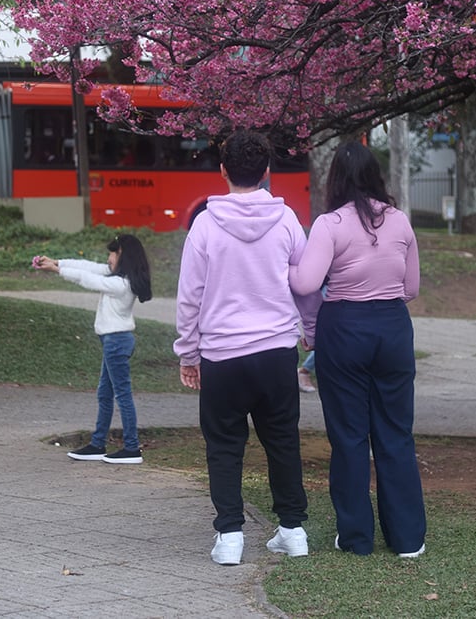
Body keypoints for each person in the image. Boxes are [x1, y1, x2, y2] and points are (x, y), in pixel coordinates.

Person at [174, 130, 316, 566]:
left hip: (222, 355)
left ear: (222, 171)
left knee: (223, 446)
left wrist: (188, 352)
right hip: (276, 353)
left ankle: (230, 537)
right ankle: (292, 531)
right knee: (282, 442)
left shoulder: (205, 225)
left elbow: (190, 295)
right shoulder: (288, 220)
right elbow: (306, 283)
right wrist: (309, 329)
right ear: (267, 172)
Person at [289, 141, 426, 558]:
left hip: (344, 328)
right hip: (392, 328)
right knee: (396, 433)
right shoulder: (401, 221)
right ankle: (407, 539)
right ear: (375, 176)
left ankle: (355, 537)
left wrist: (285, 264)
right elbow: (412, 289)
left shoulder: (331, 224)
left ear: (336, 180)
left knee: (349, 436)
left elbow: (306, 283)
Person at [34, 234, 152, 464]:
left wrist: (58, 271)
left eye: (112, 253)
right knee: (105, 393)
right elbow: (88, 267)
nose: (108, 259)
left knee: (122, 395)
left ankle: (131, 448)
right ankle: (98, 444)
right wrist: (57, 262)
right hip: (112, 342)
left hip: (116, 342)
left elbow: (88, 279)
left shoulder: (121, 284)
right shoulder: (117, 277)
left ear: (122, 256)